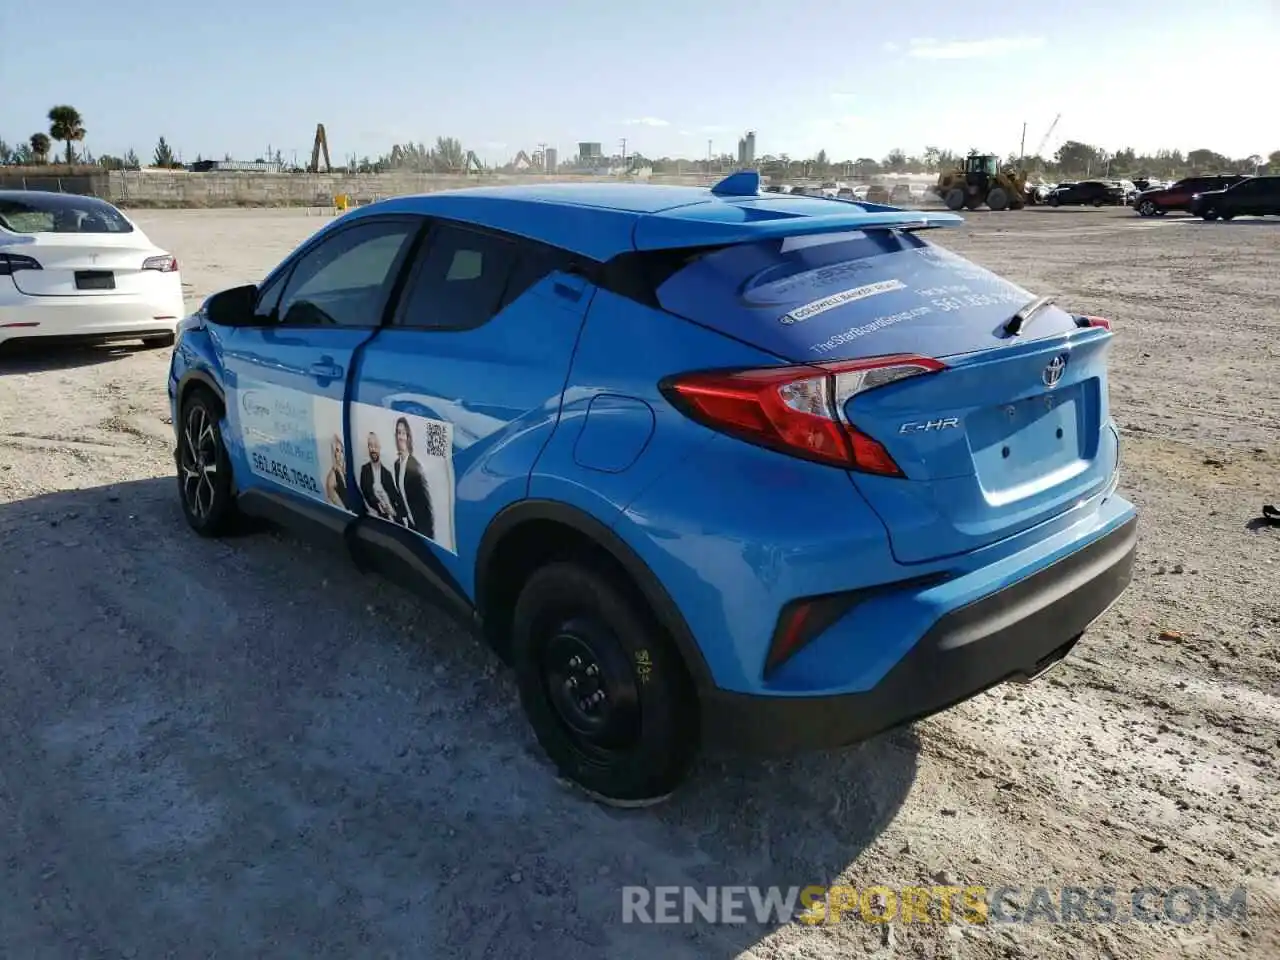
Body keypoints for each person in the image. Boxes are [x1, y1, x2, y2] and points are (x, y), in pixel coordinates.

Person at [391, 416, 435, 540]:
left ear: (408, 437)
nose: (400, 437)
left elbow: (426, 506)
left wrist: (428, 535)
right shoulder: (397, 465)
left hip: (423, 528)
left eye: (403, 433)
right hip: (410, 526)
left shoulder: (415, 466)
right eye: (398, 433)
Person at [359, 431, 405, 523]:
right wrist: (379, 506)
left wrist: (395, 513)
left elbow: (396, 497)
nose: (373, 449)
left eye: (375, 446)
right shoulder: (365, 470)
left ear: (380, 448)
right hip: (376, 519)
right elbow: (365, 494)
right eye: (370, 446)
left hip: (393, 519)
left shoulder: (387, 474)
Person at [324, 433, 348, 510]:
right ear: (334, 454)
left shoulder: (346, 473)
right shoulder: (332, 477)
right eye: (337, 451)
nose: (340, 455)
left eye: (342, 451)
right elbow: (340, 506)